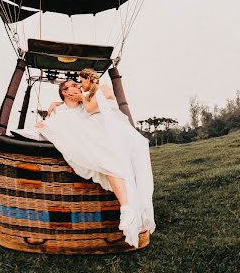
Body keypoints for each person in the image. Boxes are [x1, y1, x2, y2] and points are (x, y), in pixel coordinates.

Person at [35, 70, 155, 247]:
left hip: (113, 133)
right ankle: (127, 209)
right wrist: (57, 105)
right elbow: (59, 119)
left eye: (79, 83)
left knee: (115, 160)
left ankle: (128, 209)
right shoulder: (64, 108)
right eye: (74, 86)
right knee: (111, 161)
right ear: (66, 92)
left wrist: (74, 97)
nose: (78, 87)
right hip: (97, 136)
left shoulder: (97, 94)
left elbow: (90, 105)